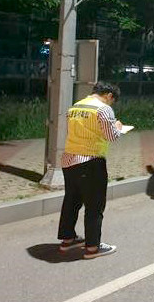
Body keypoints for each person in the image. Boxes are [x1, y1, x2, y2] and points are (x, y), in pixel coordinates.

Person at [57, 81, 123, 259]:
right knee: (94, 205)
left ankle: (67, 239)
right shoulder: (103, 109)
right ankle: (93, 248)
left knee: (71, 201)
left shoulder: (76, 106)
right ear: (109, 95)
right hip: (91, 161)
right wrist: (118, 128)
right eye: (112, 101)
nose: (111, 104)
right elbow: (111, 136)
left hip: (69, 160)